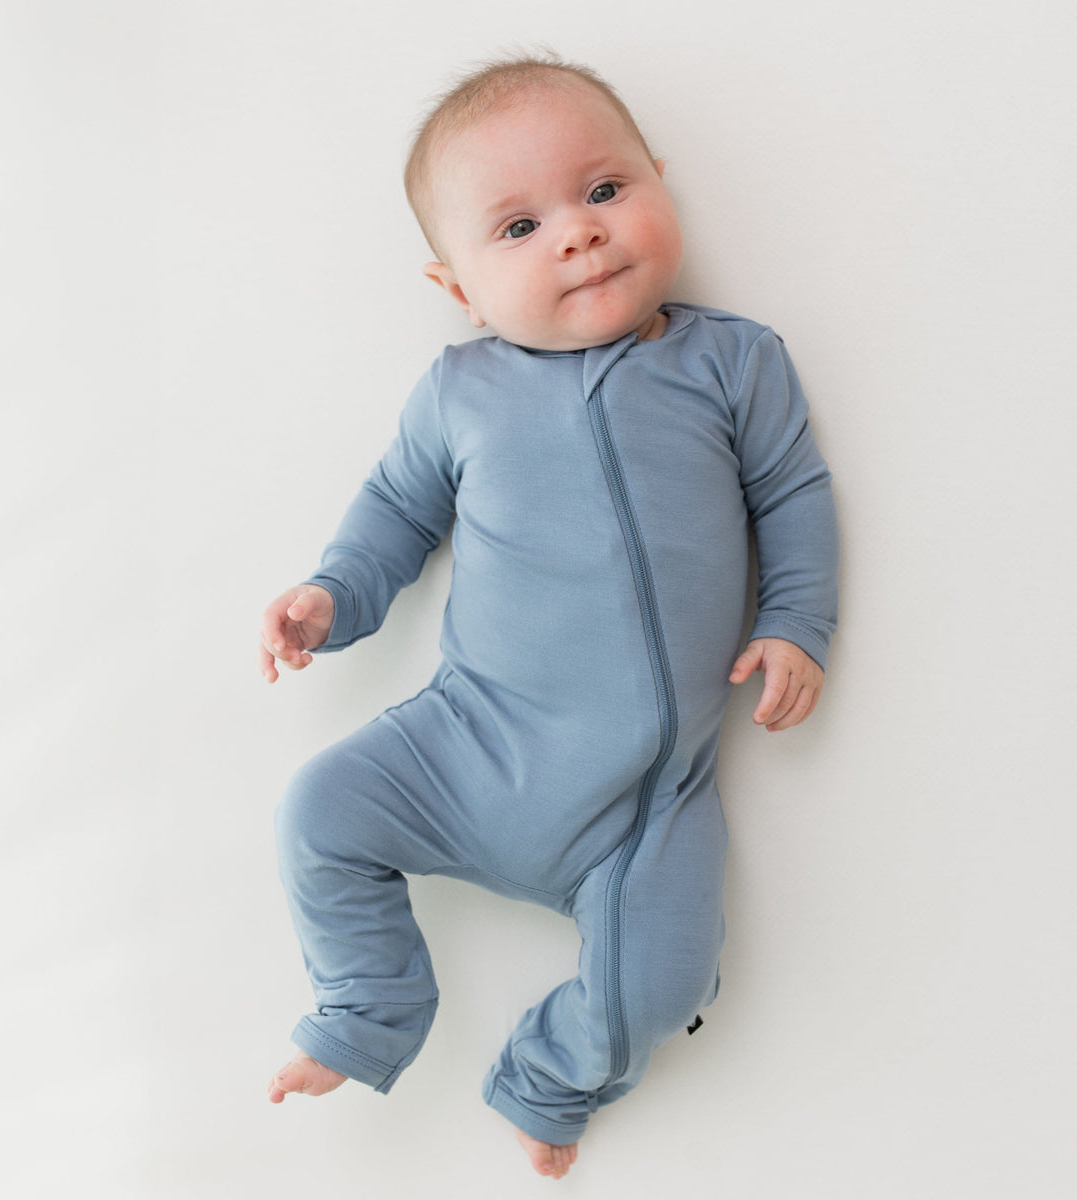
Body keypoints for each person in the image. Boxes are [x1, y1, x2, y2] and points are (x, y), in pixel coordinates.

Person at [258, 52, 839, 1180]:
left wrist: (797, 622)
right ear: (457, 286)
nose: (576, 232)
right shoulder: (459, 392)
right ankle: (368, 1005)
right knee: (317, 810)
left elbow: (795, 497)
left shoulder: (732, 362)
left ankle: (548, 1076)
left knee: (664, 981)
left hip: (644, 805)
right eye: (518, 228)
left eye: (606, 191)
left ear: (660, 184)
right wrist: (333, 597)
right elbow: (394, 514)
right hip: (464, 745)